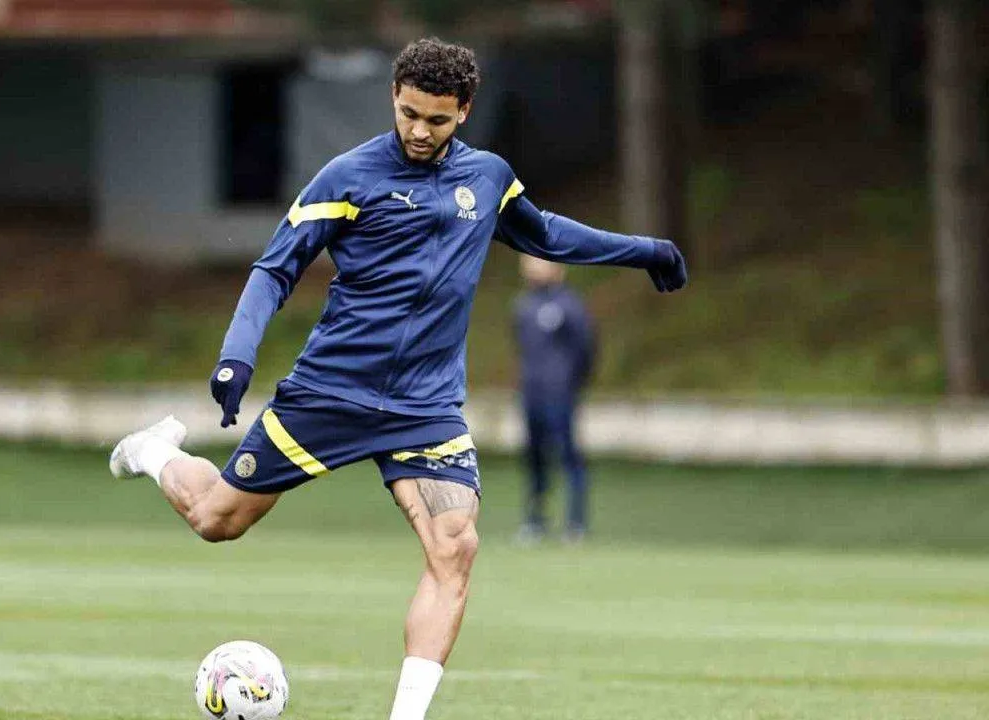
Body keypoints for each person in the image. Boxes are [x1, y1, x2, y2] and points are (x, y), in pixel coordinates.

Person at [108, 38, 687, 720]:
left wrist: (645, 251)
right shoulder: (347, 177)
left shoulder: (488, 178)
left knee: (455, 546)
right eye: (409, 113)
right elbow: (274, 269)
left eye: (436, 120)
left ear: (464, 111)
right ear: (394, 97)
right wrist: (238, 354)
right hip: (331, 391)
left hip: (425, 407)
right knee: (216, 521)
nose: (419, 131)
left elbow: (547, 236)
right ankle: (155, 452)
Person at [514, 256, 596, 545]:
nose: (532, 266)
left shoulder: (570, 305)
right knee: (534, 458)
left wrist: (570, 383)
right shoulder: (523, 305)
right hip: (531, 393)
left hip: (560, 394)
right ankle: (535, 521)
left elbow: (586, 349)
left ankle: (576, 522)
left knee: (568, 455)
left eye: (539, 261)